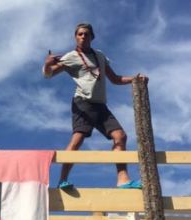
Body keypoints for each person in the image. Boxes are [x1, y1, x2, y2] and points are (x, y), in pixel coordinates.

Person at [43, 22, 148, 189]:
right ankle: (62, 180)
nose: (83, 36)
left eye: (86, 34)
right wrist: (48, 64)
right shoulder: (71, 56)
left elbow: (115, 79)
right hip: (83, 102)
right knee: (78, 139)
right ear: (76, 37)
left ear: (92, 37)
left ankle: (123, 180)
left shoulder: (99, 56)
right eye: (80, 34)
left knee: (120, 136)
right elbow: (49, 74)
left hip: (100, 105)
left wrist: (135, 79)